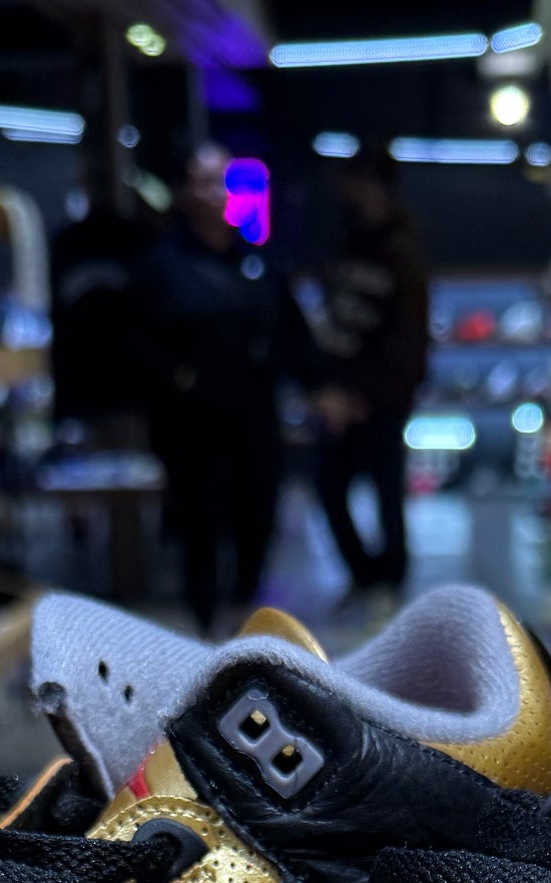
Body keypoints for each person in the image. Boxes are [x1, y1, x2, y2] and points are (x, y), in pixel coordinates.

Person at [131, 143, 319, 631]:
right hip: (192, 423)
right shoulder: (161, 266)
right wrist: (178, 381)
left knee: (257, 517)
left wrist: (320, 387)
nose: (216, 193)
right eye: (205, 182)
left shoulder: (256, 261)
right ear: (184, 192)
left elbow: (290, 334)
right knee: (200, 525)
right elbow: (137, 343)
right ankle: (204, 626)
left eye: (223, 182)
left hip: (255, 416)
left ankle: (244, 613)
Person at [310, 146, 429, 599]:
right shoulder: (348, 239)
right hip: (344, 393)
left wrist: (367, 394)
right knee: (334, 487)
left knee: (384, 490)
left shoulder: (401, 250)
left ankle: (387, 584)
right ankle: (367, 579)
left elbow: (406, 339)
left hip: (379, 396)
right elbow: (338, 322)